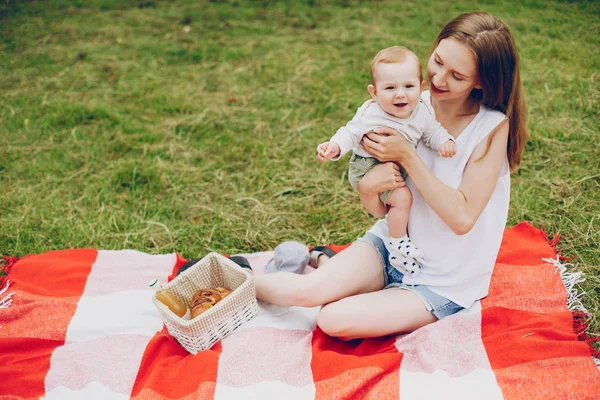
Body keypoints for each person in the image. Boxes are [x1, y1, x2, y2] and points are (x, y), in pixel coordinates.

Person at [255, 11, 527, 340]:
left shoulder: (491, 126)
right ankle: (228, 281)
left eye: (456, 75)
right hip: (393, 244)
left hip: (442, 278)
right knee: (305, 293)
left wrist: (406, 156)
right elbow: (380, 208)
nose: (439, 79)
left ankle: (338, 273)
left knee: (333, 319)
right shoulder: (405, 100)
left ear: (481, 81)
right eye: (437, 61)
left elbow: (462, 217)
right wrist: (368, 189)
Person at [316, 46, 457, 276]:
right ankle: (398, 243)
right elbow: (350, 132)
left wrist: (445, 142)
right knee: (403, 197)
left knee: (404, 197)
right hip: (367, 167)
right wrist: (334, 147)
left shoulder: (422, 111)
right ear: (374, 92)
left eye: (408, 86)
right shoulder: (371, 113)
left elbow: (432, 131)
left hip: (395, 166)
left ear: (421, 87)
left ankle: (399, 236)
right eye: (390, 88)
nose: (400, 94)